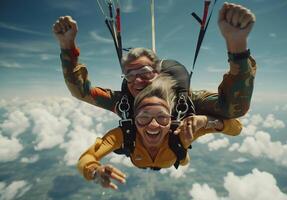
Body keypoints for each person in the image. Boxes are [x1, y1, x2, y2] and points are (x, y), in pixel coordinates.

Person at [52, 2, 257, 124]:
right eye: (130, 74)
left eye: (144, 71)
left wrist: (237, 45)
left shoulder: (185, 100)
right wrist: (67, 45)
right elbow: (81, 91)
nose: (136, 79)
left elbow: (234, 108)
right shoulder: (124, 103)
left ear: (158, 73)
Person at [77, 75, 242, 190]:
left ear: (171, 119)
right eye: (144, 118)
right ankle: (182, 157)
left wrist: (205, 121)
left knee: (183, 158)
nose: (153, 125)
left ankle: (183, 156)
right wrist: (94, 171)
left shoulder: (181, 130)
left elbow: (236, 128)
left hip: (172, 154)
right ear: (134, 120)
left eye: (162, 118)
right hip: (171, 156)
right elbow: (86, 158)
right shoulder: (125, 133)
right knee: (182, 157)